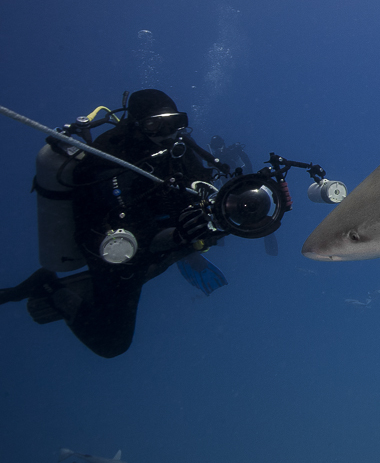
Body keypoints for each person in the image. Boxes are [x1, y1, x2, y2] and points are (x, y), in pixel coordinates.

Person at [0, 90, 225, 358]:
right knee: (112, 343)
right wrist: (179, 236)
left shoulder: (179, 149)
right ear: (137, 124)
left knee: (181, 248)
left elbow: (201, 189)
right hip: (112, 248)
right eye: (155, 124)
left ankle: (104, 287)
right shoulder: (110, 155)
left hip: (157, 237)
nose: (166, 131)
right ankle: (47, 285)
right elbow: (126, 235)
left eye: (174, 122)